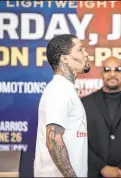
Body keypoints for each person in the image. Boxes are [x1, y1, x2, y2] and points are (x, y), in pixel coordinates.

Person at [34, 34, 91, 177]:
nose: (86, 54)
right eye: (80, 50)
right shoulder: (59, 90)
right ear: (64, 59)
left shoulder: (65, 89)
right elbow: (53, 140)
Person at [82, 57, 121, 177]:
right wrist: (101, 167)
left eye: (117, 69)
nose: (112, 74)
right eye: (107, 69)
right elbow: (79, 141)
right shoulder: (85, 103)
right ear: (101, 74)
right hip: (95, 173)